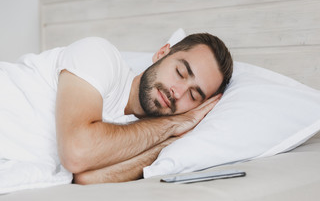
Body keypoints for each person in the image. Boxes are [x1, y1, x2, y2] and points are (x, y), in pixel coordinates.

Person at [0, 33, 233, 185]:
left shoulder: (140, 135)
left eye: (193, 95)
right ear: (162, 53)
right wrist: (172, 124)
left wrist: (170, 141)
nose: (177, 92)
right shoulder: (100, 55)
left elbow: (86, 177)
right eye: (180, 72)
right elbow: (77, 151)